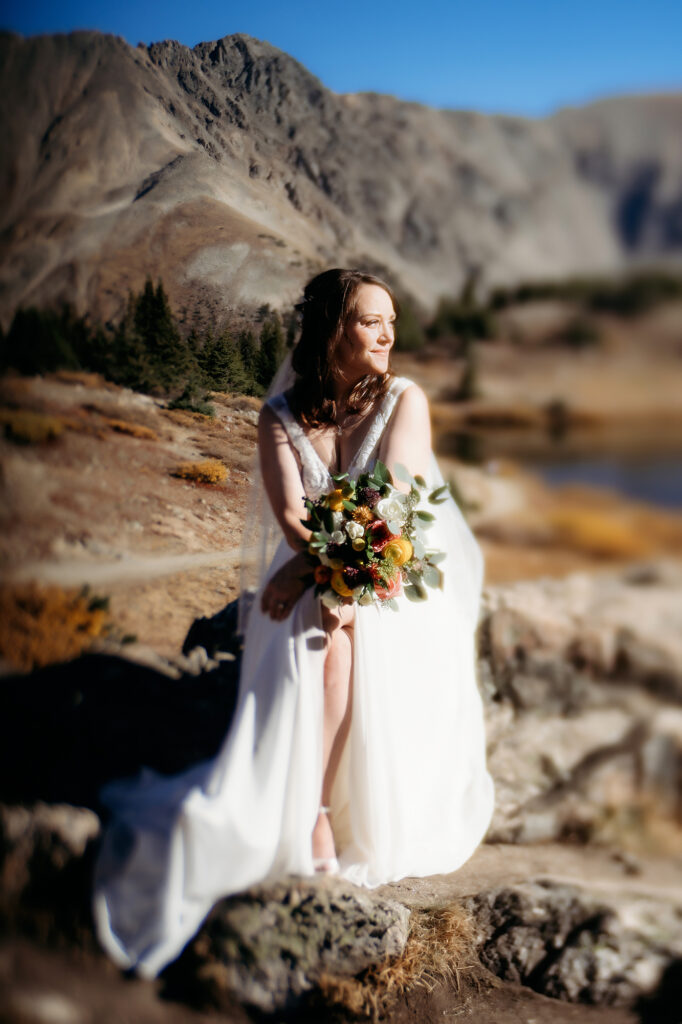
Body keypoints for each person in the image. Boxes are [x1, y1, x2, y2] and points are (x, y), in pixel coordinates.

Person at [93, 268, 494, 978]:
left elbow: (392, 500)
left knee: (339, 620)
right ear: (332, 330)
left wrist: (317, 573)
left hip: (393, 573)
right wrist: (314, 572)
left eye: (392, 321)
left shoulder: (405, 401)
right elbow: (290, 517)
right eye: (372, 321)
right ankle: (309, 813)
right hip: (317, 573)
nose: (388, 334)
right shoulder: (278, 413)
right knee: (325, 628)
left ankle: (327, 814)